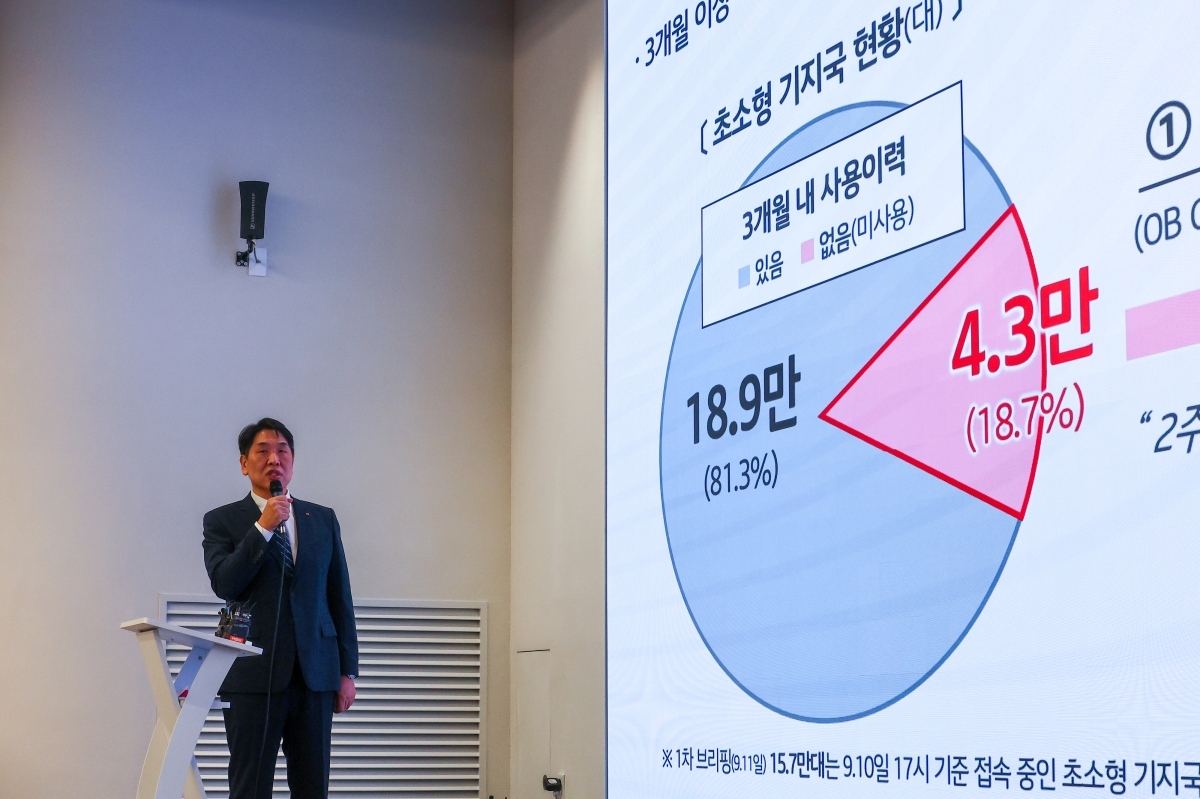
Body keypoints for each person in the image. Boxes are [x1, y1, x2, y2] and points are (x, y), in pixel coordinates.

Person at [202, 418, 359, 799]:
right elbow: (225, 583)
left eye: (282, 450)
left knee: (312, 787)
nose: (274, 459)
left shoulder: (322, 519)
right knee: (250, 787)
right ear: (244, 463)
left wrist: (347, 671)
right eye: (263, 451)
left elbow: (338, 596)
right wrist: (264, 527)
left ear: (292, 460)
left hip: (314, 675)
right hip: (253, 675)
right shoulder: (222, 520)